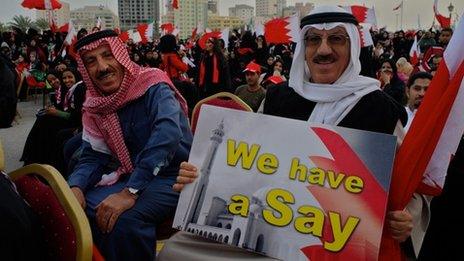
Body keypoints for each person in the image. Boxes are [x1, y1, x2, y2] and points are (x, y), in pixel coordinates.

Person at [159, 5, 416, 260]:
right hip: (267, 226)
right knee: (176, 250)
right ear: (304, 49)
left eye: (336, 39)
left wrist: (406, 218)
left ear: (353, 47)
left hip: (336, 241)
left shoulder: (381, 108)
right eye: (314, 40)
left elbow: (411, 191)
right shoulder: (279, 98)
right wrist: (198, 174)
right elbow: (242, 160)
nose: (324, 50)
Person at [68, 30, 193, 261]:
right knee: (76, 206)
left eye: (107, 56)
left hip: (176, 176)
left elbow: (167, 135)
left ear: (121, 56)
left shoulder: (153, 84)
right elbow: (92, 156)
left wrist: (130, 191)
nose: (102, 67)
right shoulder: (95, 105)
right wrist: (75, 187)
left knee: (123, 220)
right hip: (133, 174)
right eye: (91, 61)